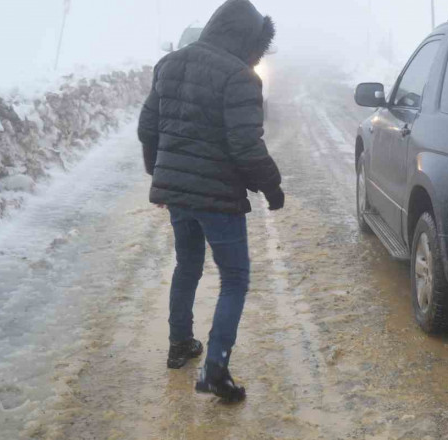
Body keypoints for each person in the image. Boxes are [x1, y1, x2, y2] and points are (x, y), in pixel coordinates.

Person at [137, 0, 283, 402]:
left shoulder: (169, 64)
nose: (257, 56)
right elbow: (245, 147)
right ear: (245, 39)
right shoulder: (240, 76)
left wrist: (161, 175)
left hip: (179, 195)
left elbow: (147, 126)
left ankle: (179, 343)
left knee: (188, 265)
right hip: (218, 198)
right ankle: (215, 368)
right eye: (257, 46)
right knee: (234, 280)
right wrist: (273, 188)